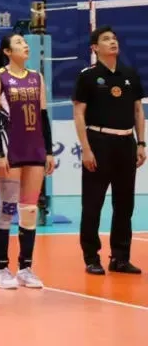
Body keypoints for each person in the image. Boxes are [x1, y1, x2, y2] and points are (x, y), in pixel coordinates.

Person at [73, 25, 145, 275]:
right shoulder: (88, 76)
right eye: (106, 39)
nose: (113, 42)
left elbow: (138, 110)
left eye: (114, 38)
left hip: (126, 143)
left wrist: (141, 143)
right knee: (93, 203)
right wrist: (86, 149)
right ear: (95, 47)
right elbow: (79, 114)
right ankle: (91, 257)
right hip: (99, 142)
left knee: (124, 204)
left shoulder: (129, 74)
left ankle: (120, 258)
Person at [0, 33, 54, 290]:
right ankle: (1, 269)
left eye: (25, 43)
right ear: (7, 51)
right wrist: (0, 154)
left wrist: (49, 151)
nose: (25, 45)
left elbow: (43, 116)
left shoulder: (37, 78)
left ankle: (25, 268)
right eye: (18, 43)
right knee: (7, 209)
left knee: (29, 210)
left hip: (34, 149)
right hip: (10, 151)